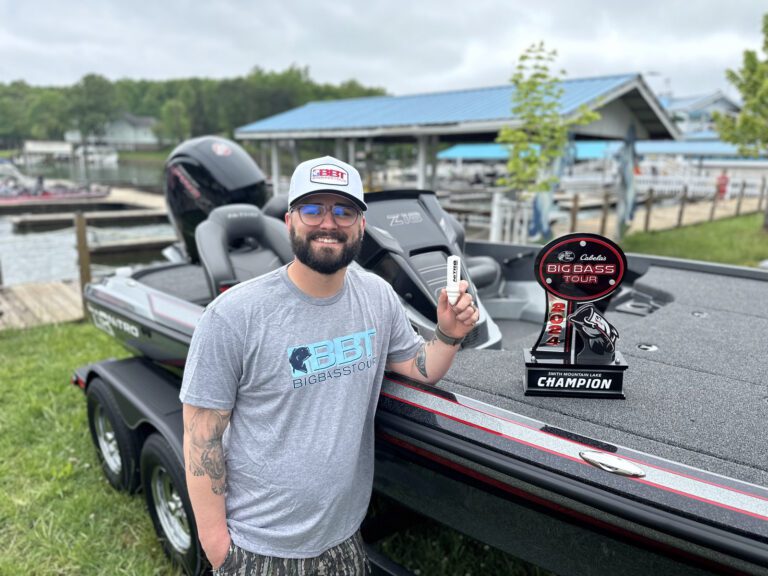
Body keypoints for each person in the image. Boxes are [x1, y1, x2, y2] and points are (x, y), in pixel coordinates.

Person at [180, 156, 478, 575]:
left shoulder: (377, 296)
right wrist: (219, 549)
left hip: (344, 538)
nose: (328, 223)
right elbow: (200, 437)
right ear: (289, 221)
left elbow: (419, 367)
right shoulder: (233, 315)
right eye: (312, 209)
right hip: (257, 546)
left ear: (360, 225)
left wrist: (448, 333)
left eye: (343, 210)